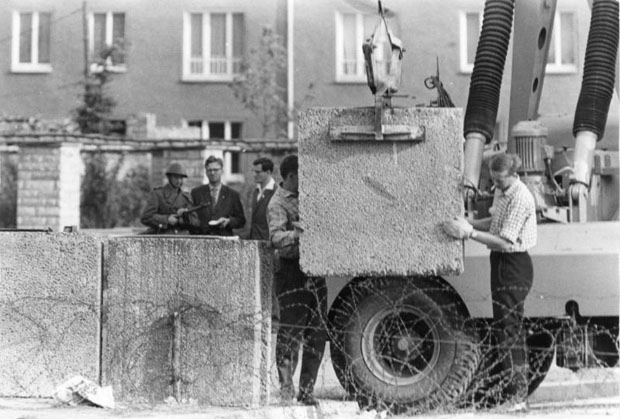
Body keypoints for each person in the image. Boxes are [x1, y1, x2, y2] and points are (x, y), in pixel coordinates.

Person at [442, 153, 537, 412]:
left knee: (509, 330)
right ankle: (510, 392)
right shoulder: (503, 191)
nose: (495, 185)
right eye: (493, 180)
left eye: (500, 180)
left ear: (514, 175)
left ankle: (517, 397)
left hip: (514, 264)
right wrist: (469, 223)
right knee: (504, 327)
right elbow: (495, 225)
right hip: (501, 263)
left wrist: (469, 233)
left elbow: (506, 240)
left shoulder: (520, 197)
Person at [267, 154, 327, 406]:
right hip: (291, 272)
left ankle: (306, 390)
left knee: (317, 333)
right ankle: (286, 389)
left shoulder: (308, 196)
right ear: (291, 176)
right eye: (302, 175)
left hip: (314, 271)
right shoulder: (277, 203)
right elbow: (275, 238)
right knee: (290, 333)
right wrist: (297, 233)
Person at [190, 156, 245, 236]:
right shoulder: (196, 193)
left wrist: (229, 221)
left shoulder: (232, 195)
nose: (212, 173)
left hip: (224, 240)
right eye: (209, 170)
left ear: (222, 171)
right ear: (206, 172)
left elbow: (241, 220)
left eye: (216, 170)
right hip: (202, 240)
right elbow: (191, 218)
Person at [140, 162, 198, 234]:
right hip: (162, 236)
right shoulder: (158, 194)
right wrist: (166, 219)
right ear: (169, 177)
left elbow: (196, 222)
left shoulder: (186, 197)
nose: (179, 181)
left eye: (181, 178)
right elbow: (146, 217)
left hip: (182, 237)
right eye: (176, 177)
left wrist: (184, 216)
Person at [249, 157, 277, 240]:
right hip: (254, 241)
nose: (254, 175)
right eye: (253, 171)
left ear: (268, 172)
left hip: (268, 242)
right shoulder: (256, 191)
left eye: (258, 172)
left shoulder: (276, 192)